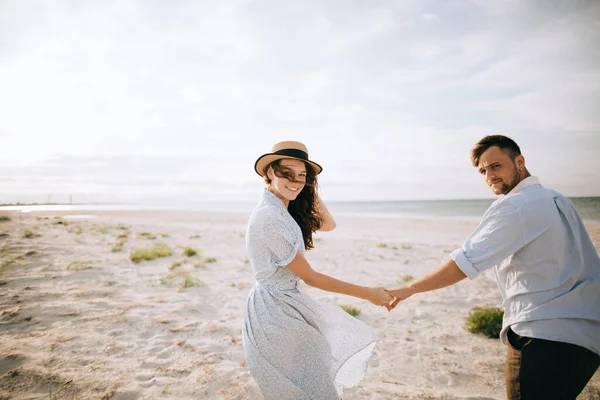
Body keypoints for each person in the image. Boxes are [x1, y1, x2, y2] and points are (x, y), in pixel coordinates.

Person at [386, 135, 600, 399]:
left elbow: (465, 262)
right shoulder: (560, 200)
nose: (490, 176)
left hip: (542, 335)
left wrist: (410, 288)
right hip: (587, 340)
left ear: (519, 162)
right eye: (483, 171)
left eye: (496, 166)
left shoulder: (515, 206)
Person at [242, 141, 394, 400]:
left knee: (313, 384)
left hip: (288, 305)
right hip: (274, 313)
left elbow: (328, 224)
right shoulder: (269, 217)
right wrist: (368, 293)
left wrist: (306, 187)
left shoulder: (283, 210)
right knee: (304, 387)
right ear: (270, 172)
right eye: (287, 173)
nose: (295, 180)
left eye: (302, 175)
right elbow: (310, 276)